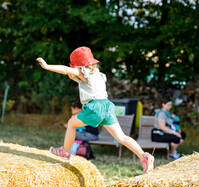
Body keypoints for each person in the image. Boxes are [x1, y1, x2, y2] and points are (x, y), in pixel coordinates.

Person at [37, 46, 154, 174]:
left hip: (94, 107)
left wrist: (47, 66)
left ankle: (65, 152)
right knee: (121, 137)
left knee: (71, 123)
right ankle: (144, 156)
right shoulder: (98, 74)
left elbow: (66, 70)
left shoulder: (82, 72)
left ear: (78, 65)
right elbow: (75, 76)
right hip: (107, 106)